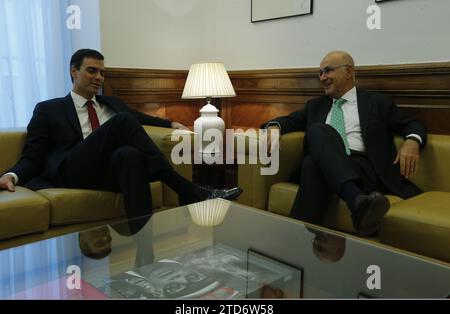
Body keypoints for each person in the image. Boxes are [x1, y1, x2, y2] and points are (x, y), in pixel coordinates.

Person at [0, 49, 242, 222]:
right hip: (73, 170)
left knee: (129, 155)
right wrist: (12, 175)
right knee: (123, 122)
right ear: (74, 72)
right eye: (92, 71)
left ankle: (144, 254)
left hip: (107, 172)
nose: (98, 78)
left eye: (102, 73)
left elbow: (142, 119)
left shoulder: (111, 103)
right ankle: (187, 189)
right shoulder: (48, 109)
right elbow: (33, 154)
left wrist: (171, 123)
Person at [263, 51, 426, 237]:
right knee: (315, 150)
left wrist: (412, 141)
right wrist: (274, 127)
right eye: (320, 73)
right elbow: (288, 121)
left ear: (348, 71)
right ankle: (356, 202)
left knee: (314, 152)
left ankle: (294, 240)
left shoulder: (376, 102)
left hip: (364, 169)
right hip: (326, 165)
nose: (322, 78)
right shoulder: (315, 106)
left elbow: (412, 123)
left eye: (327, 71)